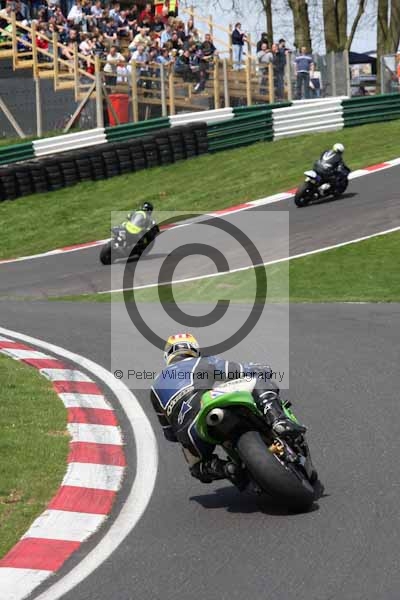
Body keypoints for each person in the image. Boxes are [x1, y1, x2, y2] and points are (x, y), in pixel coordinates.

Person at [151, 333, 306, 486]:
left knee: (196, 467)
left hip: (189, 433)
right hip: (205, 404)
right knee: (257, 380)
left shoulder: (155, 387)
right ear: (194, 349)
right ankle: (278, 420)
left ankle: (226, 469)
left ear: (167, 356)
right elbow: (238, 370)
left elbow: (170, 434)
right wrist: (258, 368)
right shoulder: (202, 361)